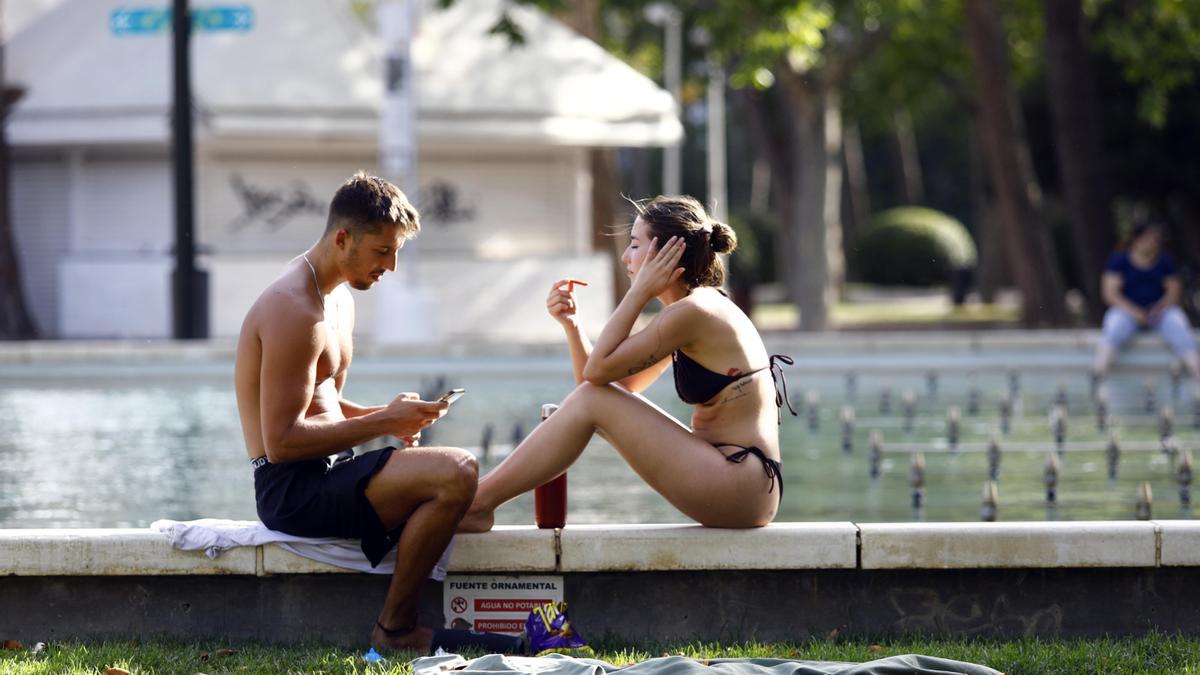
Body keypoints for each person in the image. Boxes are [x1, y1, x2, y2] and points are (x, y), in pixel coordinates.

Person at [234, 172, 516, 654]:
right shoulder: (292, 308)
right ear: (343, 238)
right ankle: (396, 629)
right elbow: (281, 442)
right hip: (291, 491)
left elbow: (317, 399)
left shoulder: (338, 294)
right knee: (458, 471)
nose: (391, 265)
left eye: (396, 252)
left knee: (471, 511)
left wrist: (386, 414)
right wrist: (384, 424)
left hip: (327, 471)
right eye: (382, 251)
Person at [458, 195, 795, 533]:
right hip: (739, 482)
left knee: (592, 398)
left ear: (663, 255)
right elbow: (606, 387)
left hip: (741, 484)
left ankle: (478, 503)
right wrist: (573, 327)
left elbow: (595, 377)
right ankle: (480, 501)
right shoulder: (692, 310)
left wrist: (637, 294)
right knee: (593, 398)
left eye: (635, 245)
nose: (625, 257)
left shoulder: (694, 312)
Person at [1093, 221, 1200, 384]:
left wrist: (1158, 308)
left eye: (1156, 239)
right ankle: (1099, 373)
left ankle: (1196, 371)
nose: (1154, 242)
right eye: (1149, 238)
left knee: (1178, 324)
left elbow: (1174, 292)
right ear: (1137, 240)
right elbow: (1110, 294)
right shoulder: (1119, 260)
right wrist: (1135, 312)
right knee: (1114, 325)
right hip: (1127, 311)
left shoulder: (1165, 261)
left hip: (1160, 312)